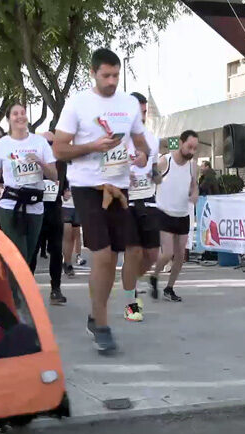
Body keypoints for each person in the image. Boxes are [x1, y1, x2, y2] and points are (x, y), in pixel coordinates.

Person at [53, 48, 151, 354]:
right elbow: (59, 149)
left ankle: (96, 315)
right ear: (93, 73)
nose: (111, 81)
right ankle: (103, 325)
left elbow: (141, 142)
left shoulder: (129, 103)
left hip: (119, 187)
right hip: (87, 186)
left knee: (127, 254)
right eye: (106, 75)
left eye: (116, 75)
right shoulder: (78, 103)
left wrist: (142, 155)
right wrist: (93, 146)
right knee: (104, 255)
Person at [0, 104, 57, 266]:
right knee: (18, 255)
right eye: (15, 114)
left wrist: (40, 162)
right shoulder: (1, 145)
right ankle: (16, 283)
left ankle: (20, 282)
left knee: (29, 256)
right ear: (8, 119)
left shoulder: (40, 142)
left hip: (35, 204)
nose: (20, 116)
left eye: (23, 113)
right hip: (10, 204)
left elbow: (54, 176)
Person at [121, 92, 162, 322]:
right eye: (139, 112)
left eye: (145, 112)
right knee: (134, 252)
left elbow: (154, 170)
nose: (142, 116)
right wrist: (124, 174)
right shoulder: (118, 138)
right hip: (125, 200)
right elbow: (104, 168)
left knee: (152, 255)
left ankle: (129, 283)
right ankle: (130, 303)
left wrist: (157, 176)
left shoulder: (152, 139)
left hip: (148, 199)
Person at [150, 130, 198, 303]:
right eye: (189, 147)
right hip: (164, 212)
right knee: (167, 253)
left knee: (180, 257)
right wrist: (154, 175)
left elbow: (194, 185)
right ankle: (154, 276)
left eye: (194, 148)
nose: (192, 151)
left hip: (183, 214)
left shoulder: (192, 165)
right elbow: (153, 176)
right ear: (180, 143)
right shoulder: (166, 161)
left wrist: (195, 193)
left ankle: (169, 288)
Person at [36, 131, 67, 306]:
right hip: (35, 210)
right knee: (32, 251)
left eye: (51, 143)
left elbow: (64, 183)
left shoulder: (61, 162)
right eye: (45, 142)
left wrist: (66, 190)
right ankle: (27, 290)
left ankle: (56, 289)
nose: (48, 146)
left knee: (56, 250)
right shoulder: (33, 161)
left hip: (54, 211)